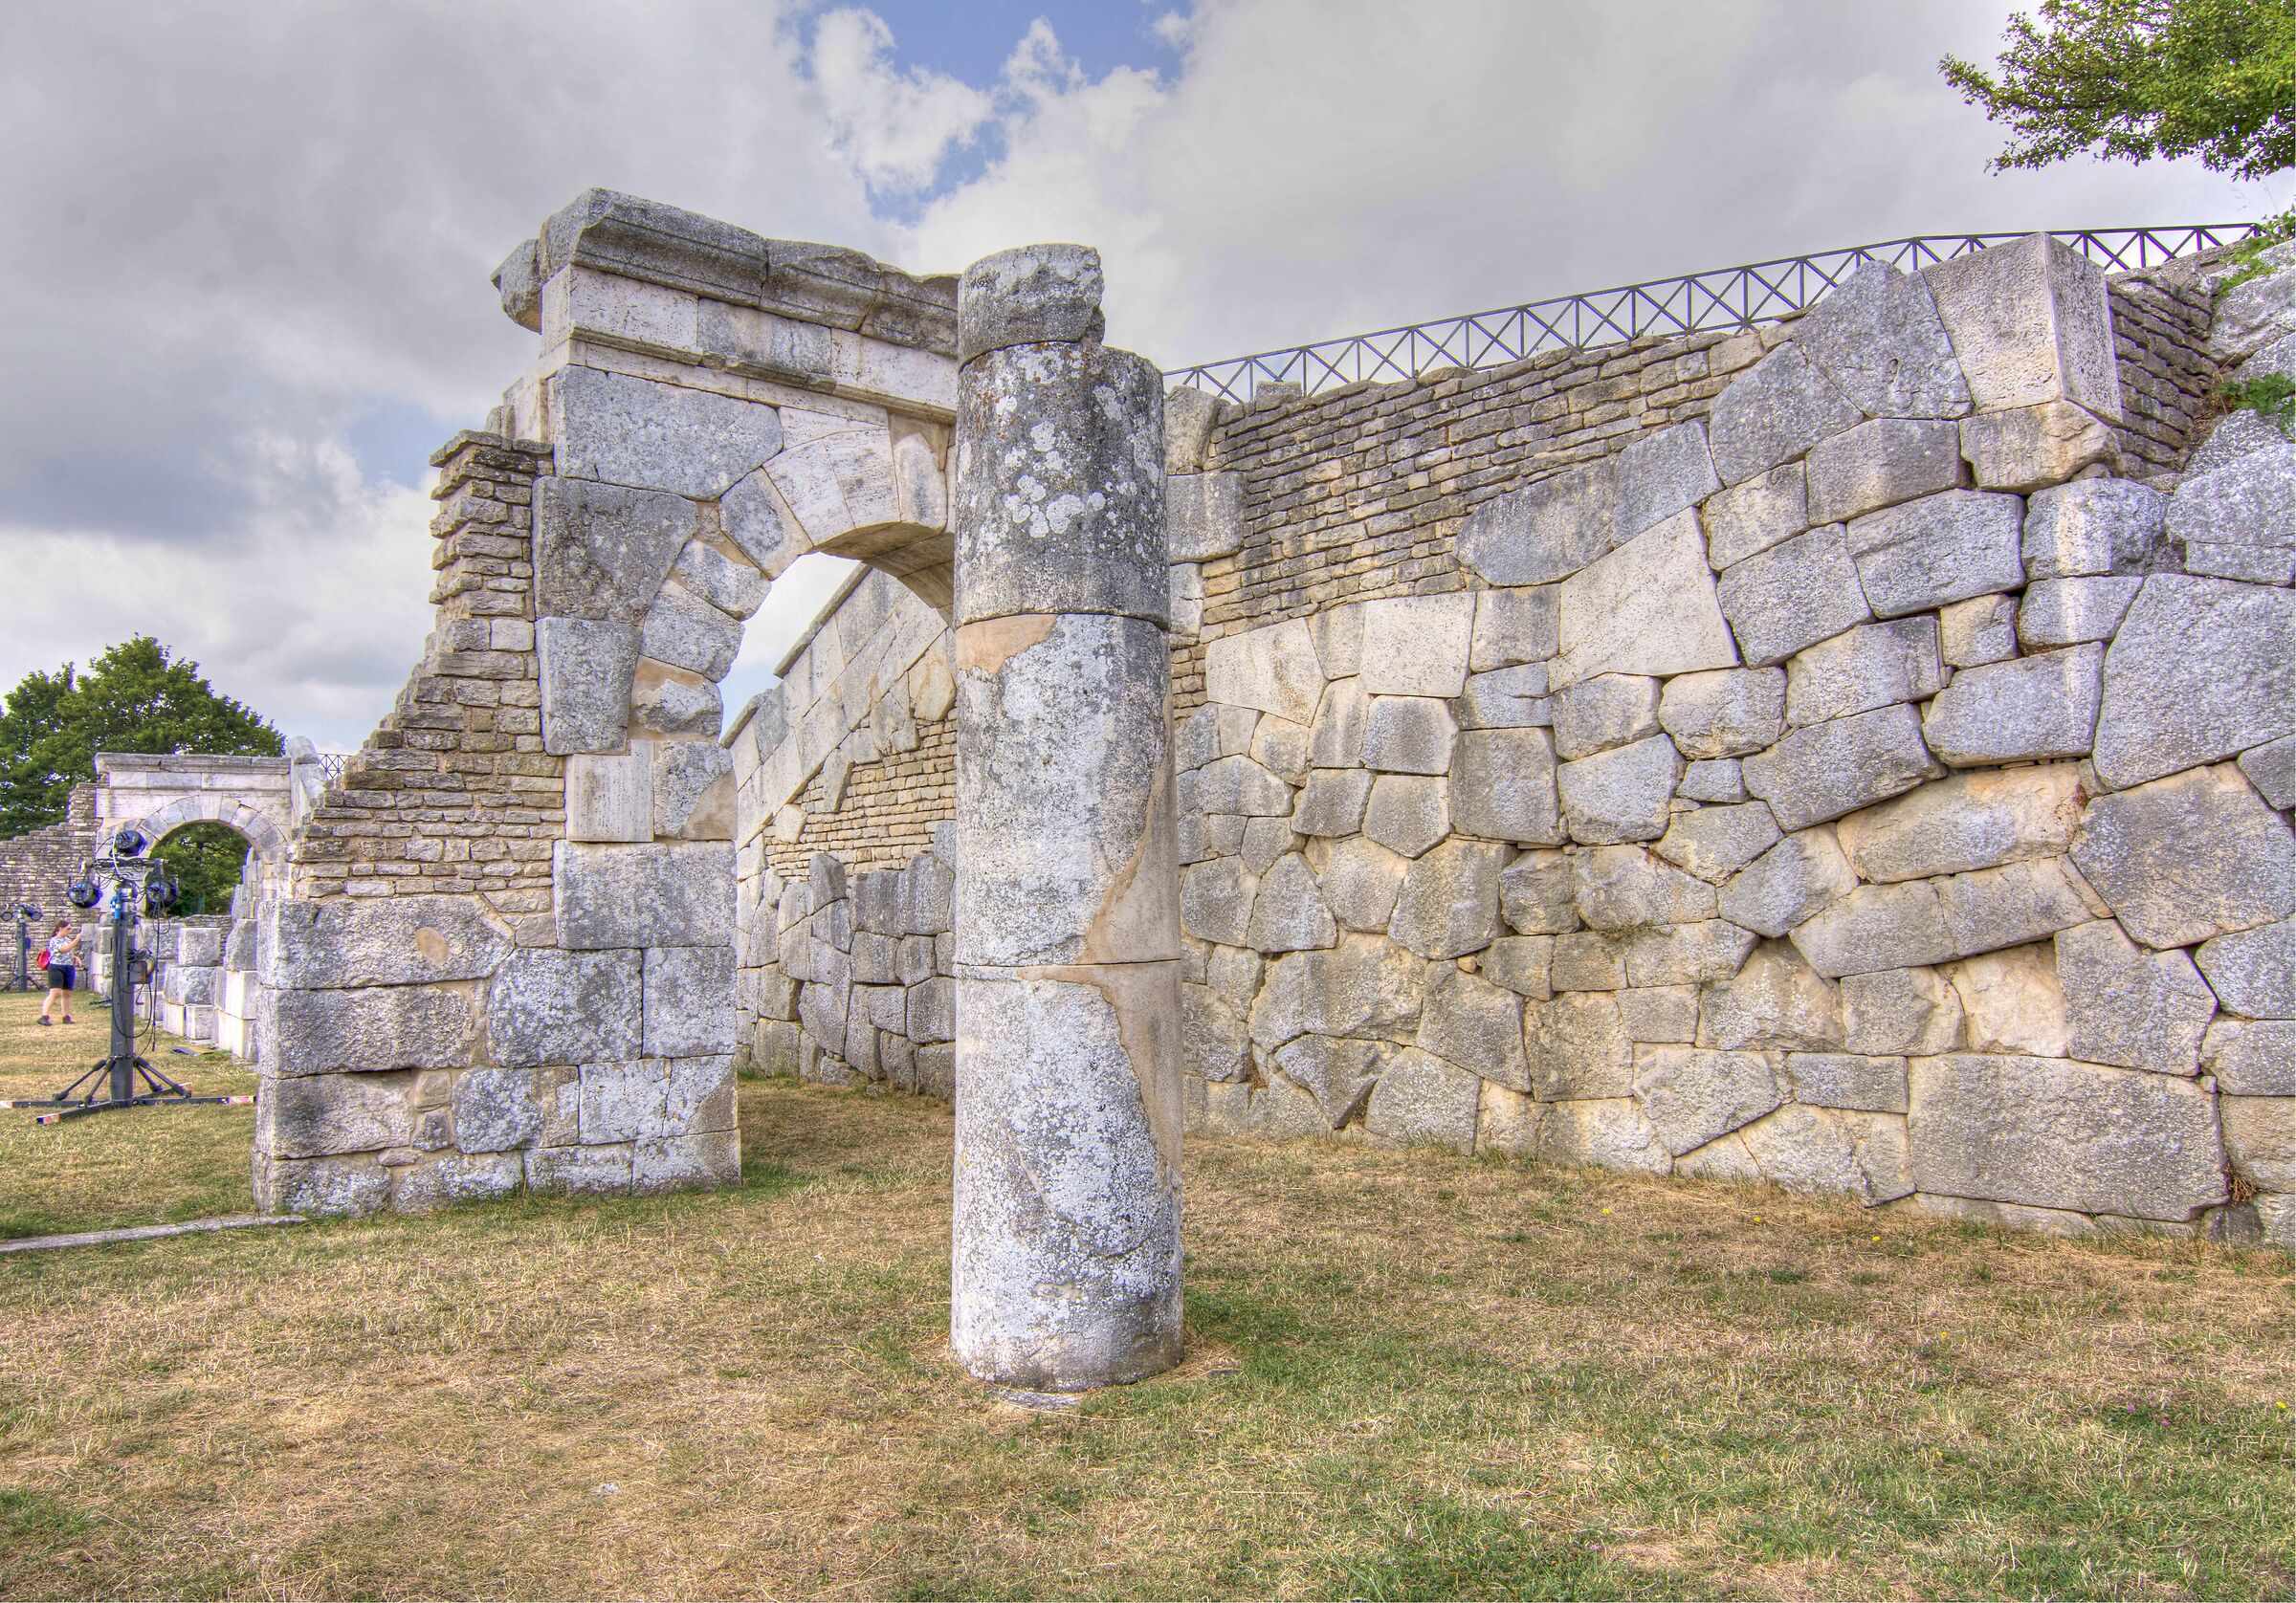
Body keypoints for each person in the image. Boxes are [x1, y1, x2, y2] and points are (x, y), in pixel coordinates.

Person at [38, 920, 78, 1025]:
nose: (69, 931)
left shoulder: (67, 940)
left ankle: (66, 1016)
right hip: (56, 967)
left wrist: (75, 958)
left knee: (67, 993)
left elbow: (67, 953)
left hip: (68, 967)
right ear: (60, 929)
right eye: (68, 929)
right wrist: (77, 939)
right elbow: (63, 949)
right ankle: (44, 1016)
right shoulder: (54, 940)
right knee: (55, 993)